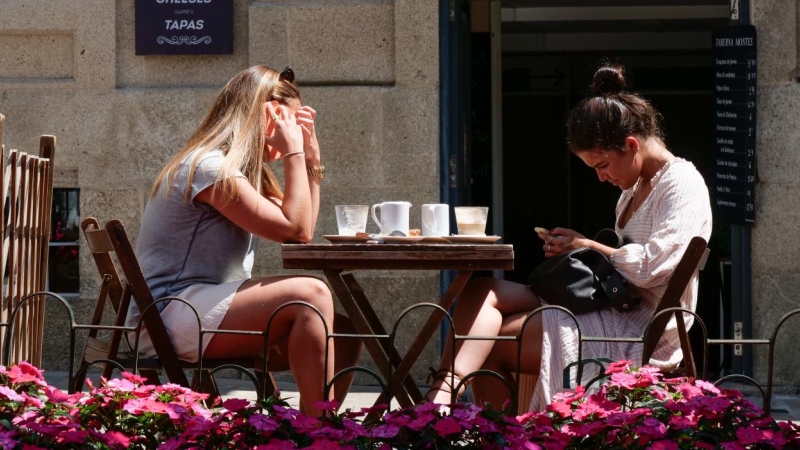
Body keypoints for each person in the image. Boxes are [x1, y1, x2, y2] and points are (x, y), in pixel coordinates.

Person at [425, 65, 712, 411]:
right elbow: (624, 264)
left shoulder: (682, 183)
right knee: (481, 289)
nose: (601, 177)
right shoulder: (633, 190)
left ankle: (478, 426)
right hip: (610, 306)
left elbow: (657, 267)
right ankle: (443, 393)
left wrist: (587, 246)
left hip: (639, 330)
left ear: (632, 145)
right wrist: (581, 247)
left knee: (493, 343)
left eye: (602, 165)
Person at [126, 65, 360, 416]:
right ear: (264, 114)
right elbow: (295, 229)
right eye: (290, 121)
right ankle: (319, 432)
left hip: (196, 309)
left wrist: (312, 162)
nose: (294, 131)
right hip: (168, 315)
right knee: (311, 294)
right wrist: (294, 153)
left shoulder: (240, 173)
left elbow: (302, 228)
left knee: (342, 330)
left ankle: (316, 425)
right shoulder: (209, 168)